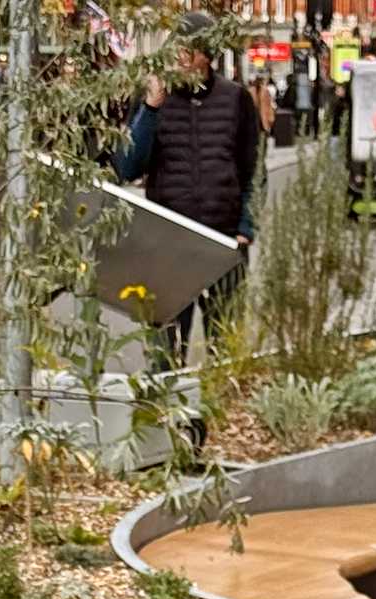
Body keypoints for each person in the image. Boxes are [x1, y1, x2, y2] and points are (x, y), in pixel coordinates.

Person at [116, 11, 259, 366]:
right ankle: (164, 399)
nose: (179, 58)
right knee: (165, 352)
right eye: (175, 49)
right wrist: (151, 109)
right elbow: (127, 167)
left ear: (207, 55)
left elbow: (253, 169)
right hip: (169, 244)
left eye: (188, 50)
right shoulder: (152, 99)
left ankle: (219, 401)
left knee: (226, 352)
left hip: (223, 243)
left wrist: (245, 227)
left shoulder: (236, 99)